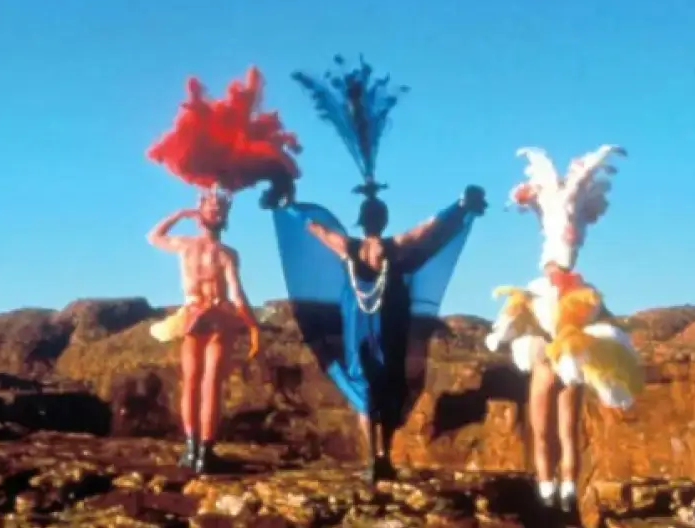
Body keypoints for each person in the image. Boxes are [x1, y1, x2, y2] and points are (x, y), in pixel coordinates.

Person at [269, 56, 488, 483]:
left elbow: (318, 230)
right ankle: (381, 456)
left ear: (364, 218)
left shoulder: (354, 248)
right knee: (381, 382)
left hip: (363, 320)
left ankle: (376, 456)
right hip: (382, 321)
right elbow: (426, 229)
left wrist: (289, 208)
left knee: (367, 384)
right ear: (381, 218)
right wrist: (459, 206)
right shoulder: (390, 248)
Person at [145, 66, 300, 474]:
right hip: (212, 315)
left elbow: (155, 237)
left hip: (198, 314)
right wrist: (251, 326)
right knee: (205, 381)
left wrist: (183, 214)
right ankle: (201, 450)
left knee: (200, 381)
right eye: (210, 205)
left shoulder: (191, 247)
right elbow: (237, 295)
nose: (213, 207)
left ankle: (196, 450)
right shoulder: (221, 251)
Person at [483, 145, 643, 515]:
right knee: (554, 431)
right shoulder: (562, 290)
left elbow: (600, 323)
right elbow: (519, 314)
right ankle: (554, 491)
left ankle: (557, 491)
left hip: (559, 360)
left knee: (555, 431)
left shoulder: (568, 292)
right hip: (555, 360)